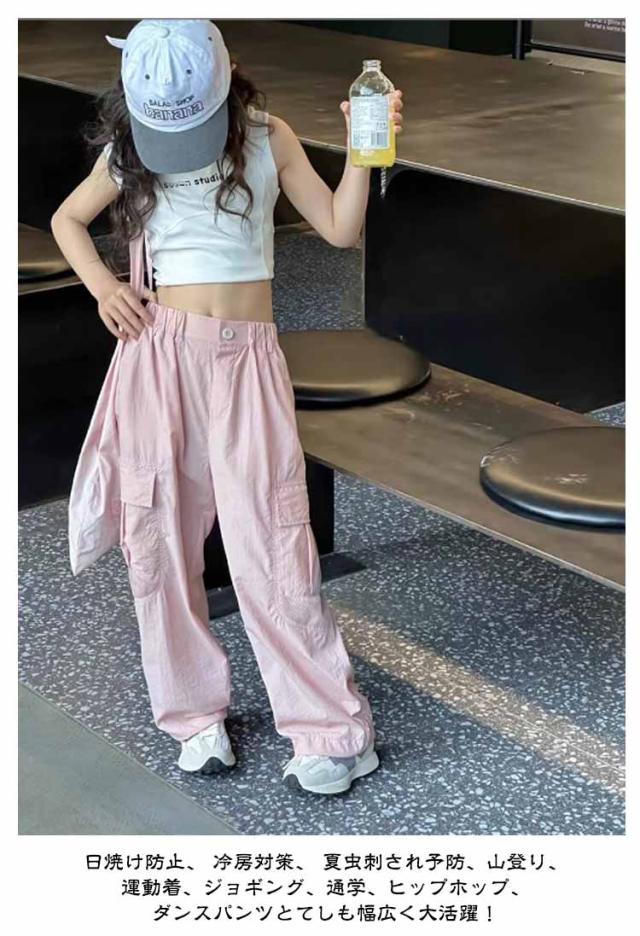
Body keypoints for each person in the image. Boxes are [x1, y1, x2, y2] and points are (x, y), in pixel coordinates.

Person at [52, 19, 403, 796]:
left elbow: (340, 229)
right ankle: (193, 716)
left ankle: (331, 731)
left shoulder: (268, 136)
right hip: (159, 353)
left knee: (272, 540)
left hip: (245, 362)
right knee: (158, 537)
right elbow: (66, 219)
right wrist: (105, 288)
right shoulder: (133, 148)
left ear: (229, 73)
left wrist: (365, 150)